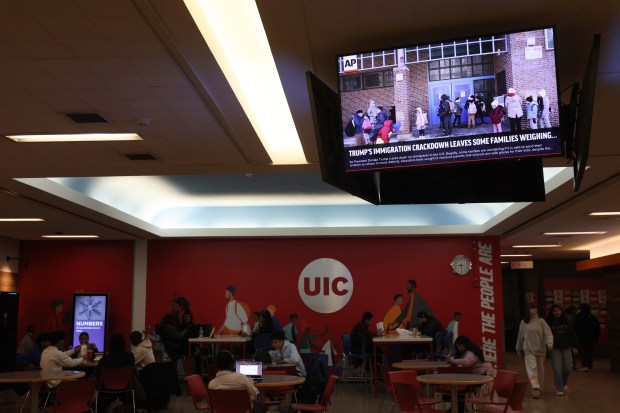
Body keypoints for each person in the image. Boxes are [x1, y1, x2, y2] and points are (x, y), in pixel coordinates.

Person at [516, 303, 553, 399]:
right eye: (532, 308)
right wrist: (518, 348)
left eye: (535, 308)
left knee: (540, 369)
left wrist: (549, 343)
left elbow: (548, 333)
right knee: (532, 368)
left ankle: (540, 387)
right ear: (527, 310)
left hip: (540, 350)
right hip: (528, 350)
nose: (534, 309)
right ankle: (535, 387)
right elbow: (520, 336)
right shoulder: (524, 322)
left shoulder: (541, 321)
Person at [546, 304, 578, 396]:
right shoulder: (549, 323)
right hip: (555, 349)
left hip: (567, 347)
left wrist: (575, 346)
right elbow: (546, 335)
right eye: (554, 311)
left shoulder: (567, 321)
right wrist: (547, 345)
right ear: (552, 313)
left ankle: (564, 381)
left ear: (561, 311)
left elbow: (572, 333)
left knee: (568, 368)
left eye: (558, 310)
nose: (557, 312)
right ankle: (559, 389)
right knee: (557, 369)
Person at [574, 303, 600, 372]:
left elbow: (575, 328)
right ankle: (589, 366)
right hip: (591, 339)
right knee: (590, 352)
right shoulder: (591, 317)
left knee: (583, 352)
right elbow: (597, 327)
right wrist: (595, 336)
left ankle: (584, 366)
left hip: (581, 338)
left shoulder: (578, 317)